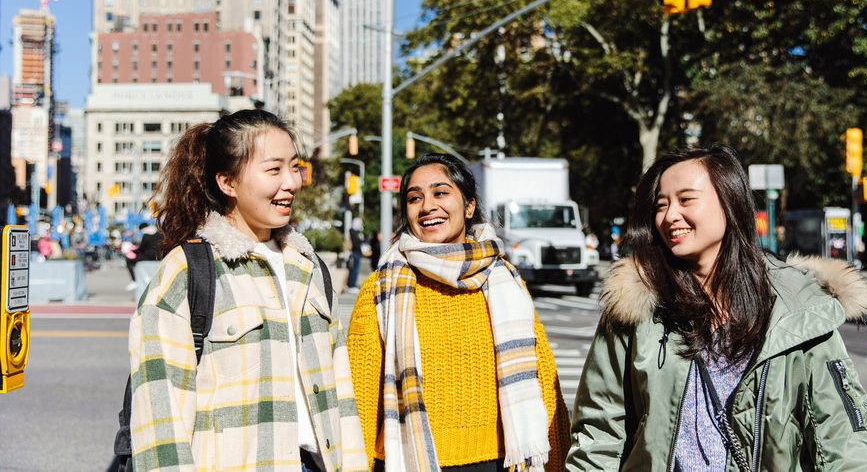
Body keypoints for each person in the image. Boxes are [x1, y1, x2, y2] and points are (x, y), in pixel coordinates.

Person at [566, 145, 867, 471]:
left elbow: (843, 436)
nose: (670, 215)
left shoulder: (800, 308)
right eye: (661, 205)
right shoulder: (635, 306)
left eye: (686, 200)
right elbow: (599, 431)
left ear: (729, 203)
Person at [127, 109, 368, 472]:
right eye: (274, 170)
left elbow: (340, 398)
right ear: (228, 182)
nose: (292, 182)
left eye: (294, 167)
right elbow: (159, 416)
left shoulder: (309, 268)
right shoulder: (188, 270)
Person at [347, 153, 570, 471]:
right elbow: (360, 400)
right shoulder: (380, 287)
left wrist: (556, 463)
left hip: (497, 462)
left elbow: (543, 380)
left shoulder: (504, 280)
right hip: (406, 461)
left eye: (440, 193)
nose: (427, 207)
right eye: (415, 198)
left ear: (469, 206)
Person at [347, 216, 365, 293]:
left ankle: (352, 285)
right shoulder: (352, 231)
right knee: (354, 270)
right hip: (355, 253)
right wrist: (360, 239)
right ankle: (351, 285)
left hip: (357, 253)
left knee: (355, 270)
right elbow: (356, 243)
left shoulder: (356, 232)